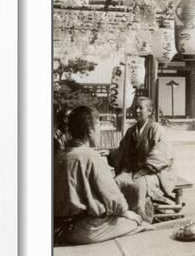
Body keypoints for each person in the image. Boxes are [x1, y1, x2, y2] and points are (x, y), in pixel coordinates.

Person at [53, 105, 147, 245]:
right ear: (90, 131)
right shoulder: (90, 156)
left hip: (57, 226)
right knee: (138, 223)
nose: (99, 133)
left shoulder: (59, 155)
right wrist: (126, 212)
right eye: (98, 129)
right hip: (84, 229)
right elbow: (111, 195)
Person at [114, 97, 176, 223]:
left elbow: (162, 153)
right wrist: (111, 154)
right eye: (135, 107)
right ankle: (122, 213)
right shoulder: (131, 131)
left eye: (140, 108)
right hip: (133, 170)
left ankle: (141, 218)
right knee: (117, 181)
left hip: (155, 172)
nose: (137, 110)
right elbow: (122, 151)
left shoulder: (156, 128)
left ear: (150, 111)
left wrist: (144, 170)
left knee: (138, 185)